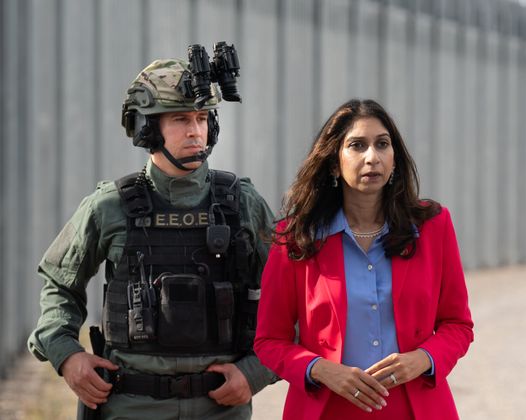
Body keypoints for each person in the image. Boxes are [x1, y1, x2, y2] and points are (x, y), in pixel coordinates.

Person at [28, 54, 276, 419]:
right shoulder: (108, 206)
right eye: (180, 119)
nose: (195, 131)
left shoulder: (243, 204)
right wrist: (67, 355)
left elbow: (294, 295)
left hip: (222, 407)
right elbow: (58, 284)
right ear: (146, 128)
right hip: (129, 405)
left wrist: (255, 372)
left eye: (202, 118)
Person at [254, 99, 474, 419]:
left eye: (382, 144)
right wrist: (319, 369)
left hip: (416, 410)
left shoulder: (433, 226)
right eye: (357, 146)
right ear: (333, 163)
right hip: (327, 410)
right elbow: (269, 341)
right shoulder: (297, 237)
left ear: (394, 158)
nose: (372, 157)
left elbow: (458, 324)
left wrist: (424, 358)